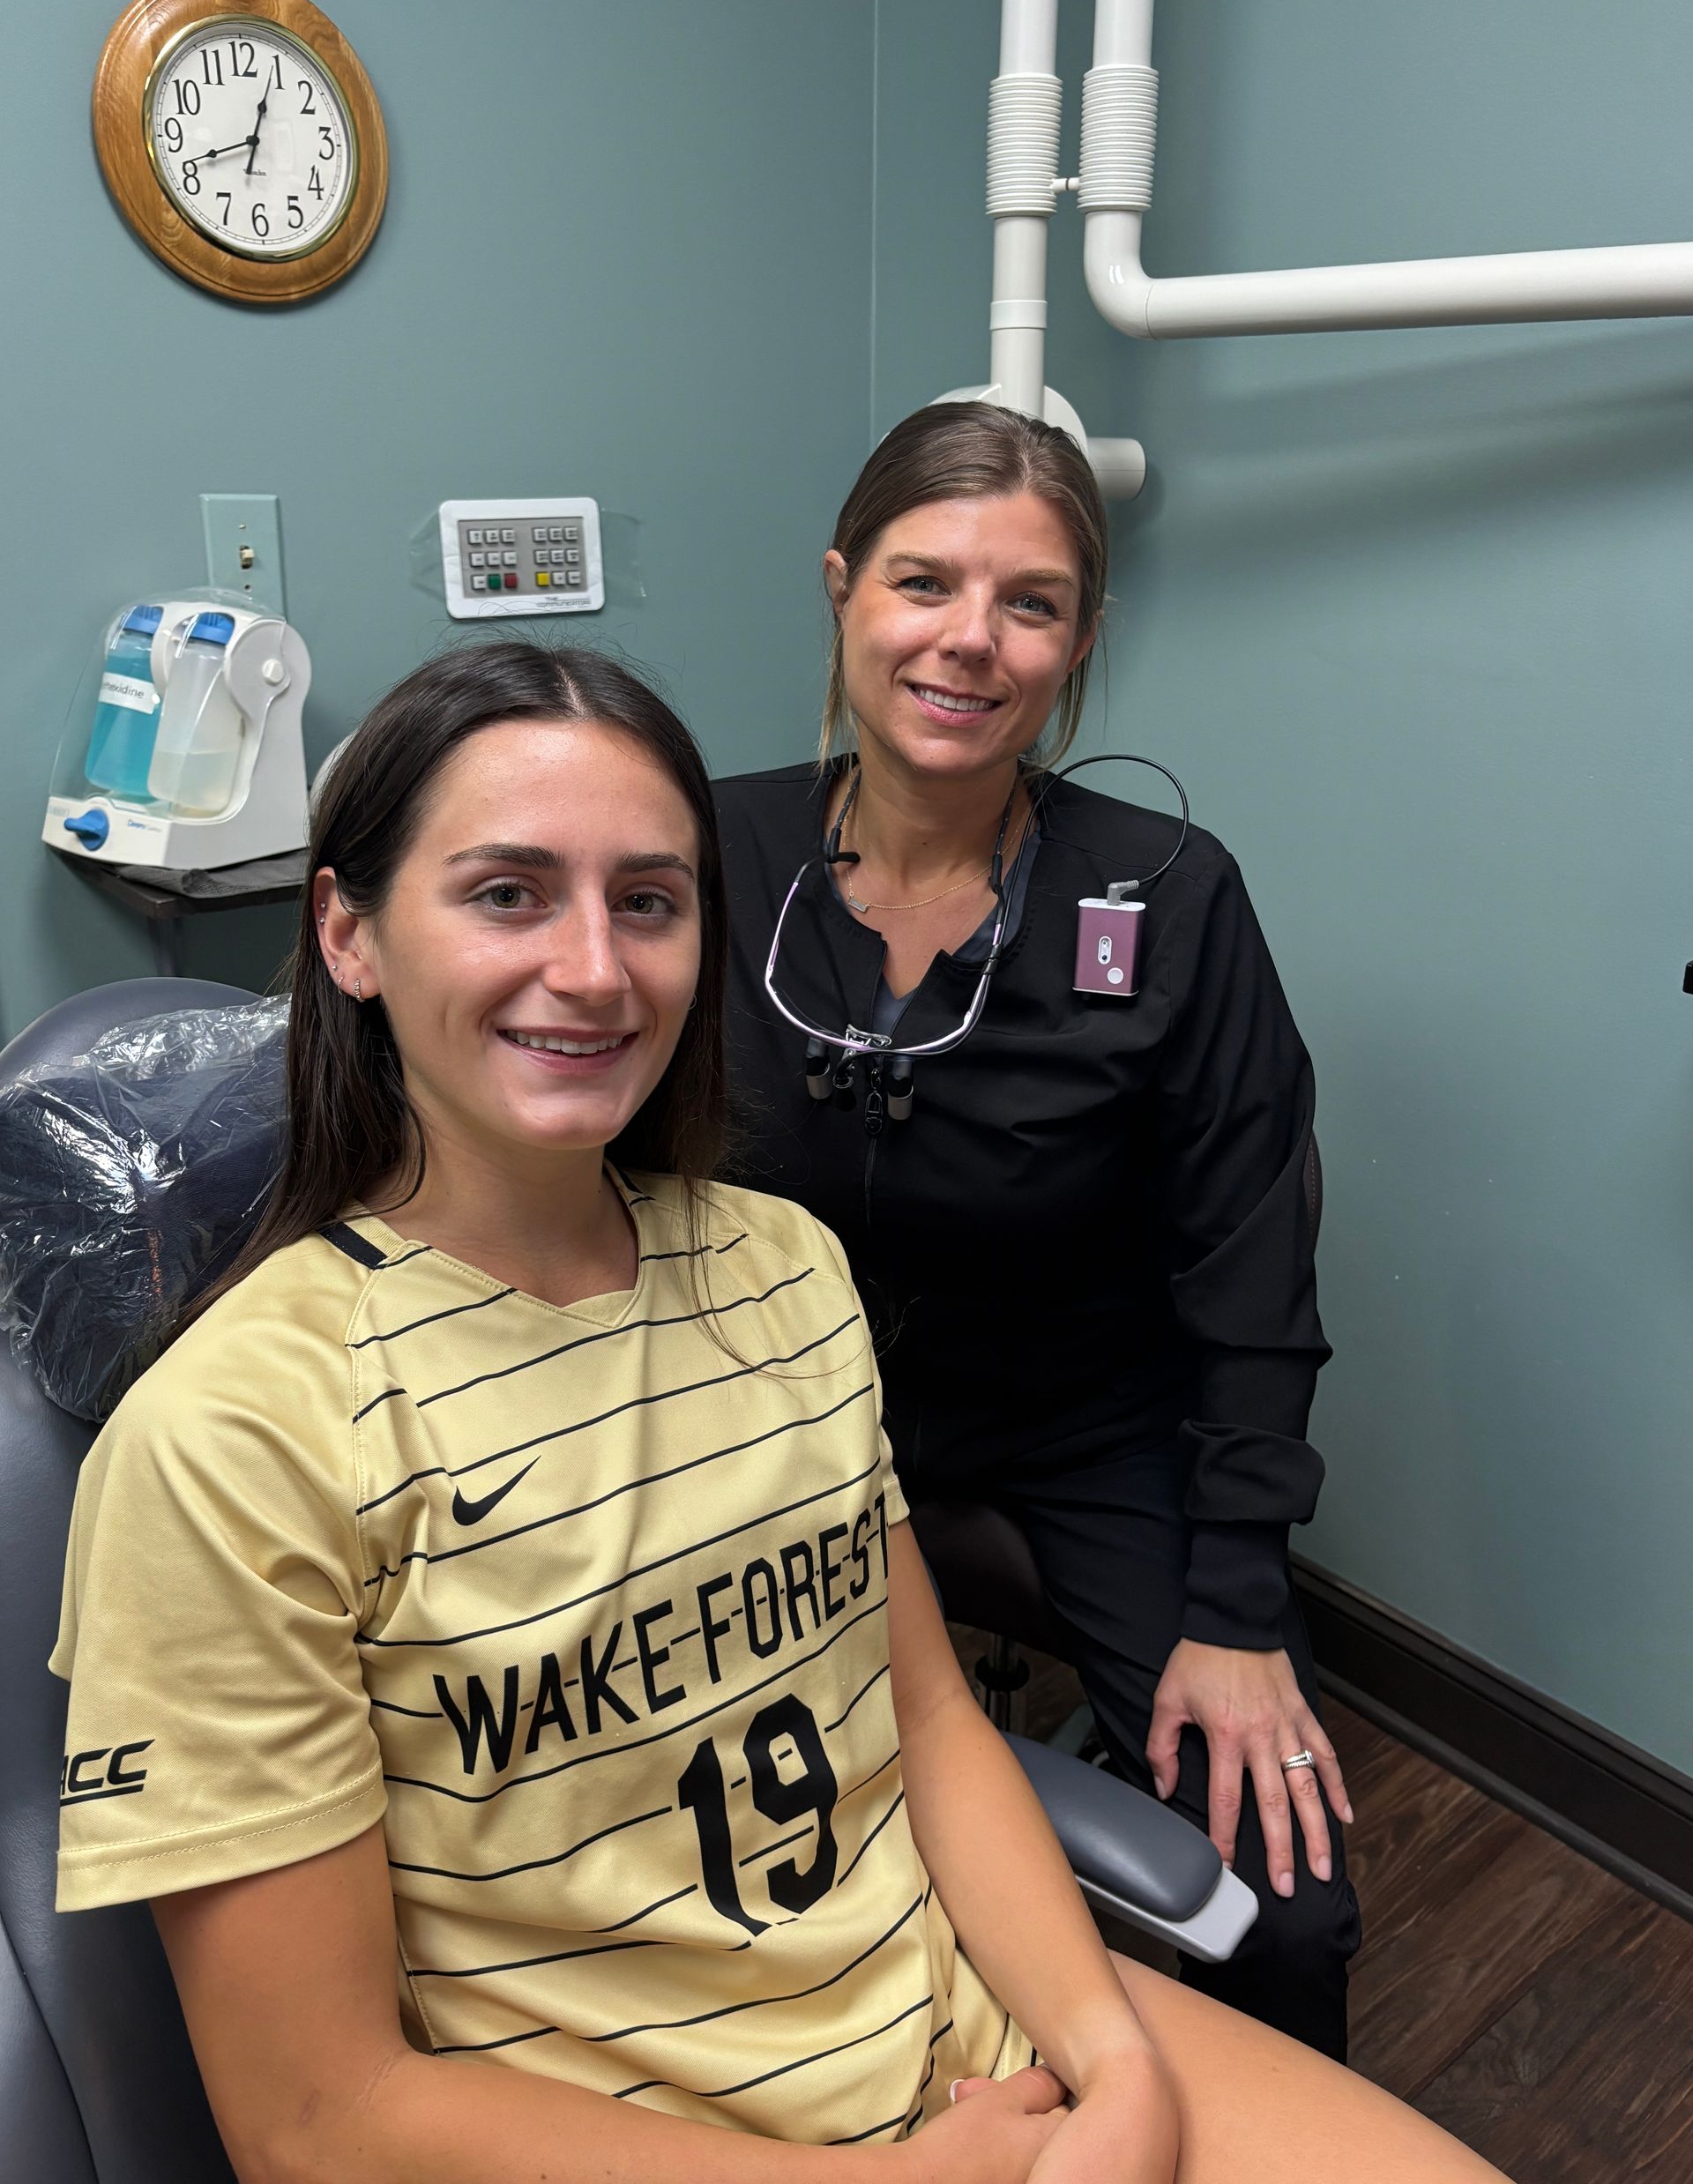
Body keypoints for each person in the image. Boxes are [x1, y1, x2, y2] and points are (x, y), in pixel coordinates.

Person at [49, 642, 1498, 2182]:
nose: (597, 968)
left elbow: (931, 1717)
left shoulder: (782, 1265)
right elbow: (313, 2123)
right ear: (346, 931)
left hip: (965, 2041)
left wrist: (1114, 2059)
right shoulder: (237, 1439)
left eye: (651, 902)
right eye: (506, 893)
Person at [713, 402, 1360, 2059]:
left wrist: (1234, 1609)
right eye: (925, 582)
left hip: (1091, 1420)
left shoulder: (1171, 896)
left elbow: (1249, 1264)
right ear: (842, 587)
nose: (969, 642)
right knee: (730, 1847)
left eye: (1032, 603)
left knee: (1278, 1911)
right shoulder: (711, 854)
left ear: (1080, 643)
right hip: (773, 1419)